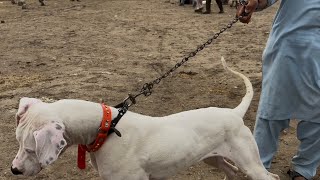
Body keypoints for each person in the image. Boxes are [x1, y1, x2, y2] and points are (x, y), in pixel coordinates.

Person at [237, 0, 320, 180]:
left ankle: (304, 169)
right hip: (286, 47)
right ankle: (258, 167)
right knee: (272, 111)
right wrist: (254, 4)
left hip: (316, 52)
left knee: (318, 114)